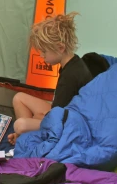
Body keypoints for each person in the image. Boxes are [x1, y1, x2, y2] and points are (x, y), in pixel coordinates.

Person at [8, 13, 93, 145]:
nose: (41, 55)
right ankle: (25, 136)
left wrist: (38, 118)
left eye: (44, 51)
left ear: (60, 47)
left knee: (20, 124)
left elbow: (58, 121)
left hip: (68, 124)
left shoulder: (70, 76)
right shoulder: (73, 62)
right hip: (62, 113)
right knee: (19, 97)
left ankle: (26, 138)